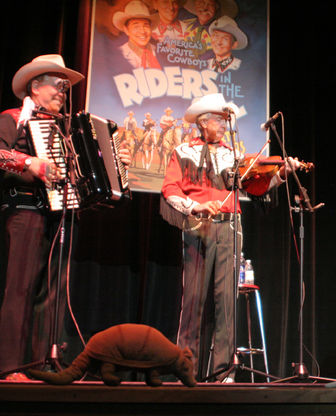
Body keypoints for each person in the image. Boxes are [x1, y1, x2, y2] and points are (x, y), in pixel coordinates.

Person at [0, 55, 131, 379]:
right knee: (21, 290)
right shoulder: (13, 117)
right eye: (57, 84)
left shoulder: (69, 127)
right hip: (26, 211)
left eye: (66, 86)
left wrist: (114, 160)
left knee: (54, 293)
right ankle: (10, 366)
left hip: (62, 216)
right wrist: (32, 164)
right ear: (35, 86)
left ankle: (41, 362)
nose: (63, 91)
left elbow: (85, 168)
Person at [160, 93, 296, 381]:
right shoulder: (182, 151)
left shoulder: (234, 154)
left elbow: (256, 187)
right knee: (193, 301)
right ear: (202, 122)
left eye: (225, 121)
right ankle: (185, 368)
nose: (224, 126)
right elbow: (170, 190)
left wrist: (280, 174)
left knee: (226, 302)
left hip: (230, 227)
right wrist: (195, 206)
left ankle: (223, 371)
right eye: (219, 120)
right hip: (199, 226)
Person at [113, 0, 161, 70]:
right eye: (136, 26)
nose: (142, 31)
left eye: (146, 25)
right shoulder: (118, 55)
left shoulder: (159, 51)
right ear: (126, 30)